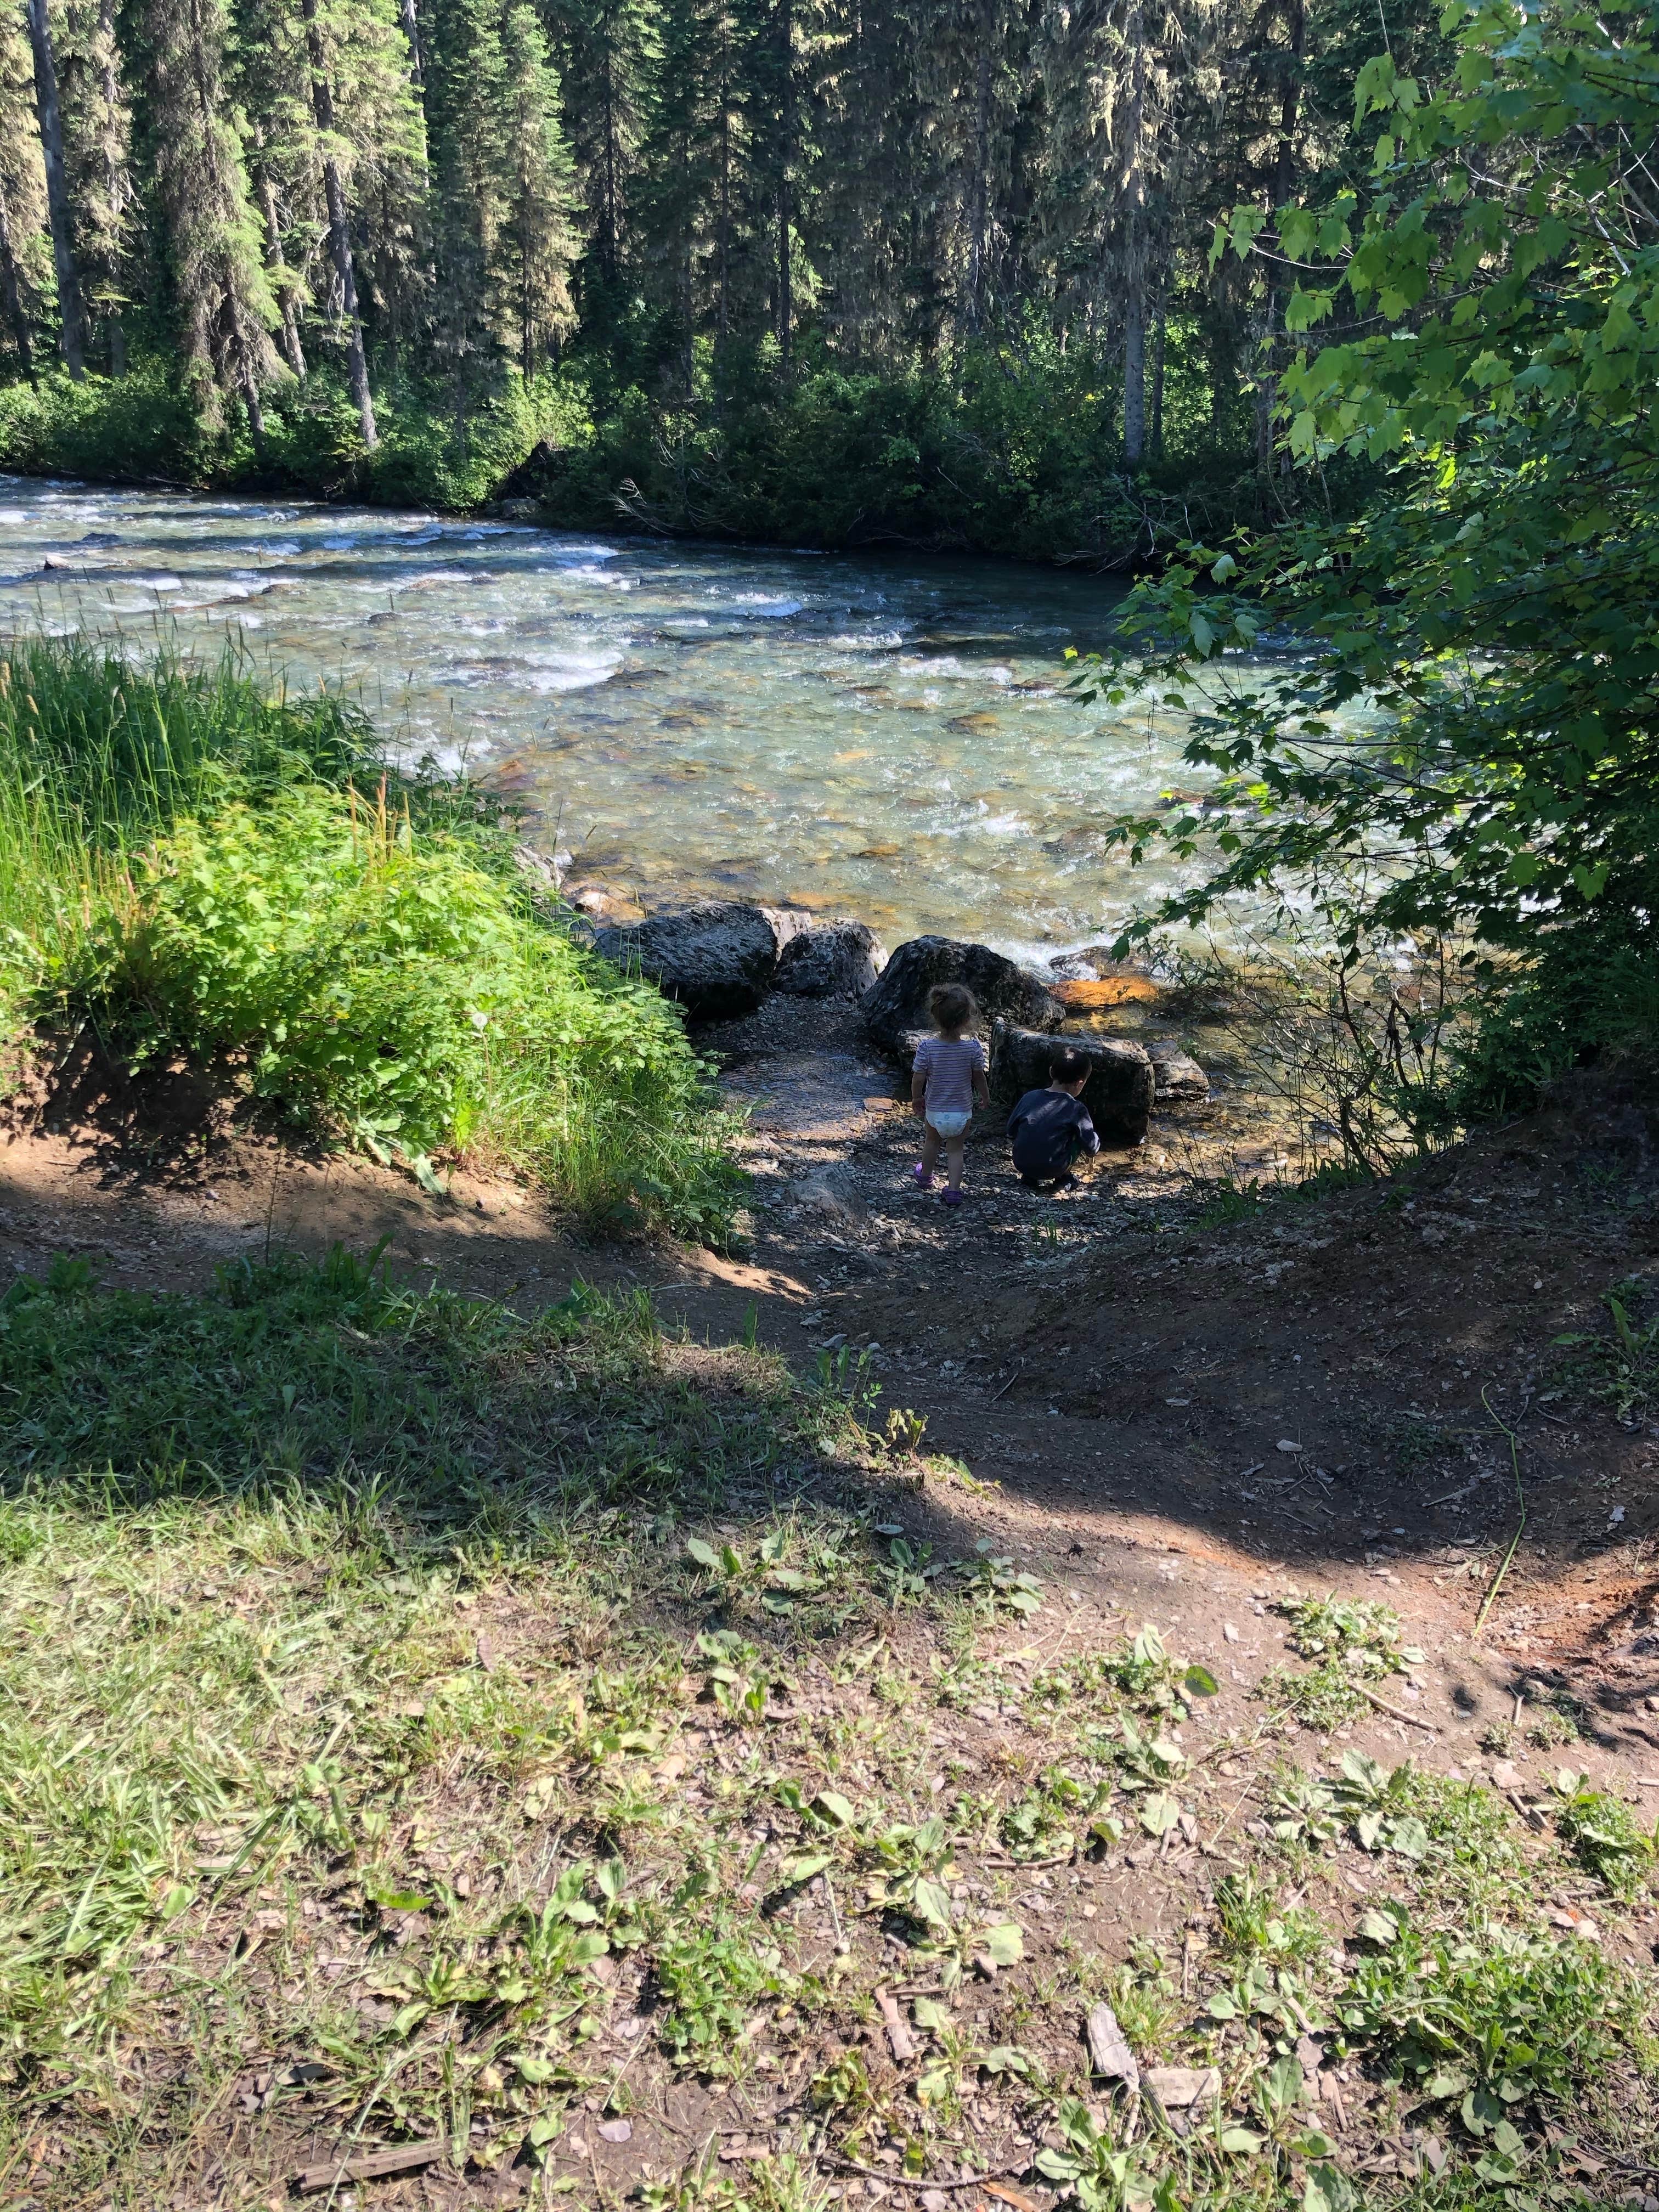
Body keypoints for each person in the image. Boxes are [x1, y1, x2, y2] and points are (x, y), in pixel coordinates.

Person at [910, 983, 990, 1204]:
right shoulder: (973, 1048)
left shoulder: (927, 1048)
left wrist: (917, 1098)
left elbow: (918, 1077)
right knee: (956, 1150)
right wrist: (985, 1096)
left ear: (936, 1017)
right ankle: (953, 1190)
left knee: (932, 1142)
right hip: (962, 1113)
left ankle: (926, 1177)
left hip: (935, 1111)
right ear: (966, 1021)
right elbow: (979, 1077)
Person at [1007, 1043, 1101, 1191]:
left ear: (1051, 1072)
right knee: (1078, 1137)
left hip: (1021, 1163)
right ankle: (1064, 1179)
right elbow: (1091, 1147)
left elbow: (1011, 1130)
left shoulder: (1029, 1097)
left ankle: (1030, 1178)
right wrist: (1095, 1141)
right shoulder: (1076, 1108)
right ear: (1080, 1083)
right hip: (1054, 1167)